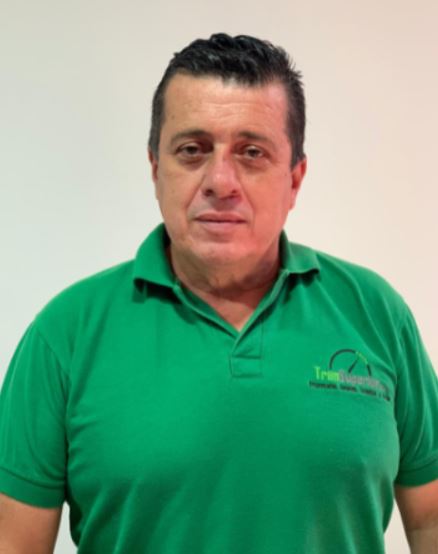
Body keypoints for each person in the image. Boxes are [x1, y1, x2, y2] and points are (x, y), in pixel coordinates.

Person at [0, 33, 437, 554]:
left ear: (295, 179)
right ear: (155, 168)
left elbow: (430, 517)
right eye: (192, 150)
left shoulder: (376, 314)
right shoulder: (66, 334)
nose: (220, 181)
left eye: (252, 153)